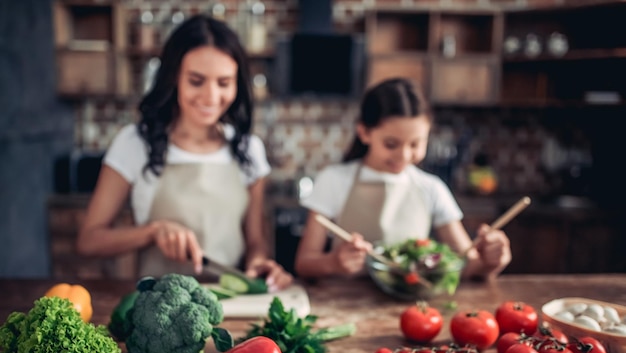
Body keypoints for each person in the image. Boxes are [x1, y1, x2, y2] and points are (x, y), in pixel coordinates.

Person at [77, 14, 292, 291]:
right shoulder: (135, 144)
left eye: (224, 83)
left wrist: (261, 263)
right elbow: (88, 241)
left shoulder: (249, 150)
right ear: (173, 77)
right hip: (157, 308)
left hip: (233, 307)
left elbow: (254, 241)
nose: (211, 97)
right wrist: (152, 232)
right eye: (196, 80)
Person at [294, 77, 511, 281]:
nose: (404, 156)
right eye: (391, 144)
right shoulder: (333, 180)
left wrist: (490, 261)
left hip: (413, 310)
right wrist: (333, 263)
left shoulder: (432, 188)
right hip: (346, 302)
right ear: (364, 132)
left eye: (415, 144)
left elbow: (468, 264)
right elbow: (304, 263)